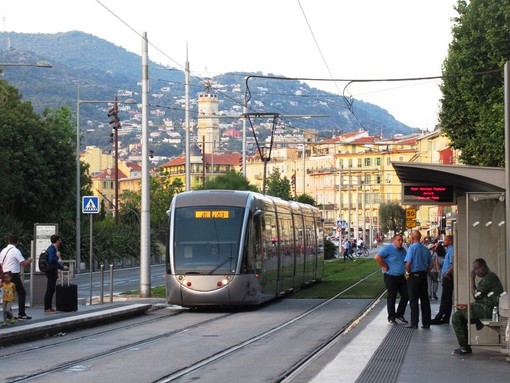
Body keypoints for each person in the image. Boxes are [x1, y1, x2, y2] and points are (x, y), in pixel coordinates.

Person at [451, 258, 504, 356]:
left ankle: (464, 348)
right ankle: (465, 347)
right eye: (475, 269)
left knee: (457, 317)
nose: (477, 271)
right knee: (460, 315)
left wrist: (472, 279)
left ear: (485, 266)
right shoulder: (488, 278)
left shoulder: (490, 277)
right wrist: (467, 305)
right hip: (486, 308)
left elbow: (476, 295)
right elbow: (480, 299)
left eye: (479, 267)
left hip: (490, 310)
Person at [374, 234, 409, 325]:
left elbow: (405, 261)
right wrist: (384, 266)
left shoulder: (403, 250)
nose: (401, 242)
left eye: (402, 240)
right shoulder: (388, 249)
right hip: (390, 276)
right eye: (399, 240)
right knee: (392, 297)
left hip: (401, 276)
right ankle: (391, 317)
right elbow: (377, 257)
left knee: (406, 295)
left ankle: (399, 315)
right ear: (393, 241)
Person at [404, 230, 433, 329]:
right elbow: (432, 264)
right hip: (423, 275)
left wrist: (408, 273)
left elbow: (408, 263)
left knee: (413, 300)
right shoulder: (425, 249)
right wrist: (426, 271)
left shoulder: (412, 248)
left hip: (414, 276)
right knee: (424, 299)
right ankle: (426, 323)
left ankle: (414, 322)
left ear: (412, 238)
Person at [0, 235, 33, 320]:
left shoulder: (3, 251)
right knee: (22, 293)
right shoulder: (15, 251)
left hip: (5, 276)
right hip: (13, 275)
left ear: (8, 241)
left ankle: (8, 315)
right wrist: (29, 260)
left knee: (7, 295)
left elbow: (1, 264)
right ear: (17, 242)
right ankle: (21, 314)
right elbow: (23, 263)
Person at [431, 235, 454, 325]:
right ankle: (445, 318)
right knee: (447, 299)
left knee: (445, 298)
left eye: (446, 240)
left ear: (450, 241)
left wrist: (448, 273)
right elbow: (446, 263)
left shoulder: (452, 250)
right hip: (446, 276)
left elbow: (454, 263)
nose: (444, 241)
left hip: (448, 277)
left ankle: (439, 317)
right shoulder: (448, 250)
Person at [43, 234, 67, 313]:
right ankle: (47, 308)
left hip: (52, 270)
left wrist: (62, 268)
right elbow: (51, 260)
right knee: (50, 289)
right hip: (50, 271)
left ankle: (49, 307)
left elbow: (55, 263)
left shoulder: (52, 248)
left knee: (51, 289)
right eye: (59, 240)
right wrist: (57, 256)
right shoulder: (52, 248)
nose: (60, 242)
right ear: (57, 241)